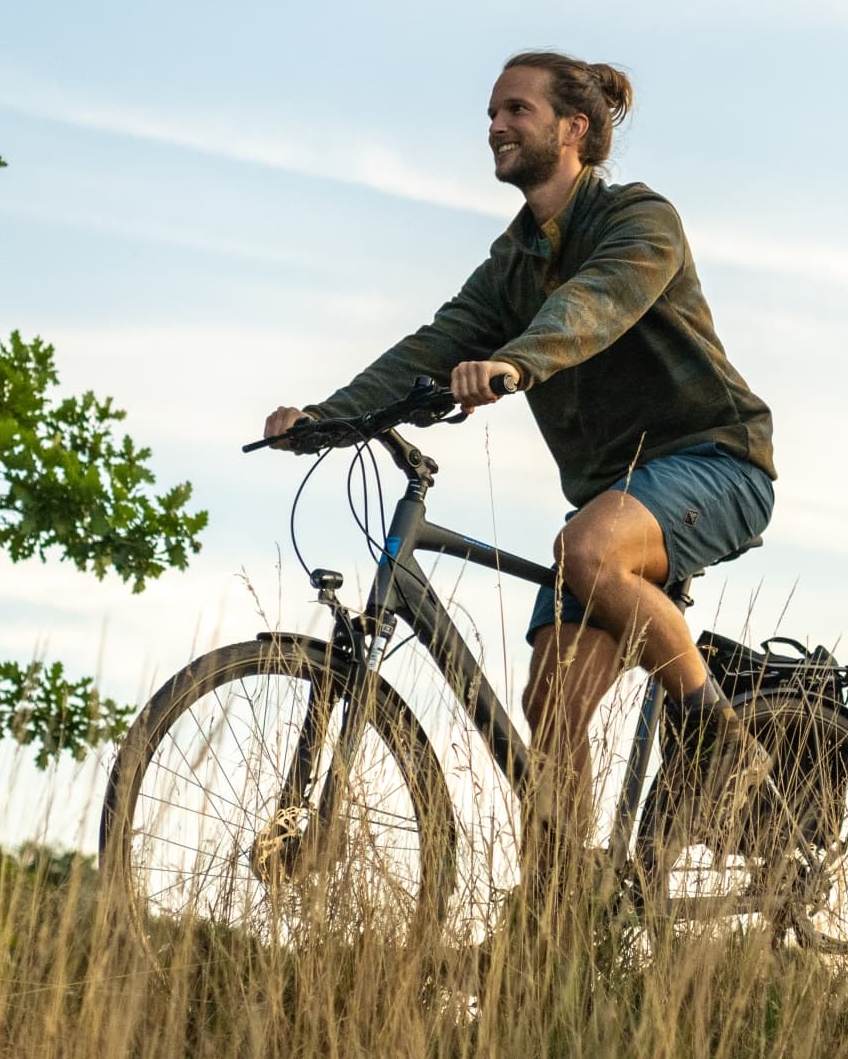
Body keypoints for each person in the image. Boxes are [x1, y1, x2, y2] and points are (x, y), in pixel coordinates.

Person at [264, 50, 779, 911]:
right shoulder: (511, 263)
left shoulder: (639, 220)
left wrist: (513, 365)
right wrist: (326, 416)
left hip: (714, 462)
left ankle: (723, 742)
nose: (496, 127)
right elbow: (432, 345)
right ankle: (558, 910)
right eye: (492, 115)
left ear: (573, 130)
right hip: (618, 500)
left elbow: (597, 306)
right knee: (552, 704)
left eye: (516, 111)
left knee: (584, 546)